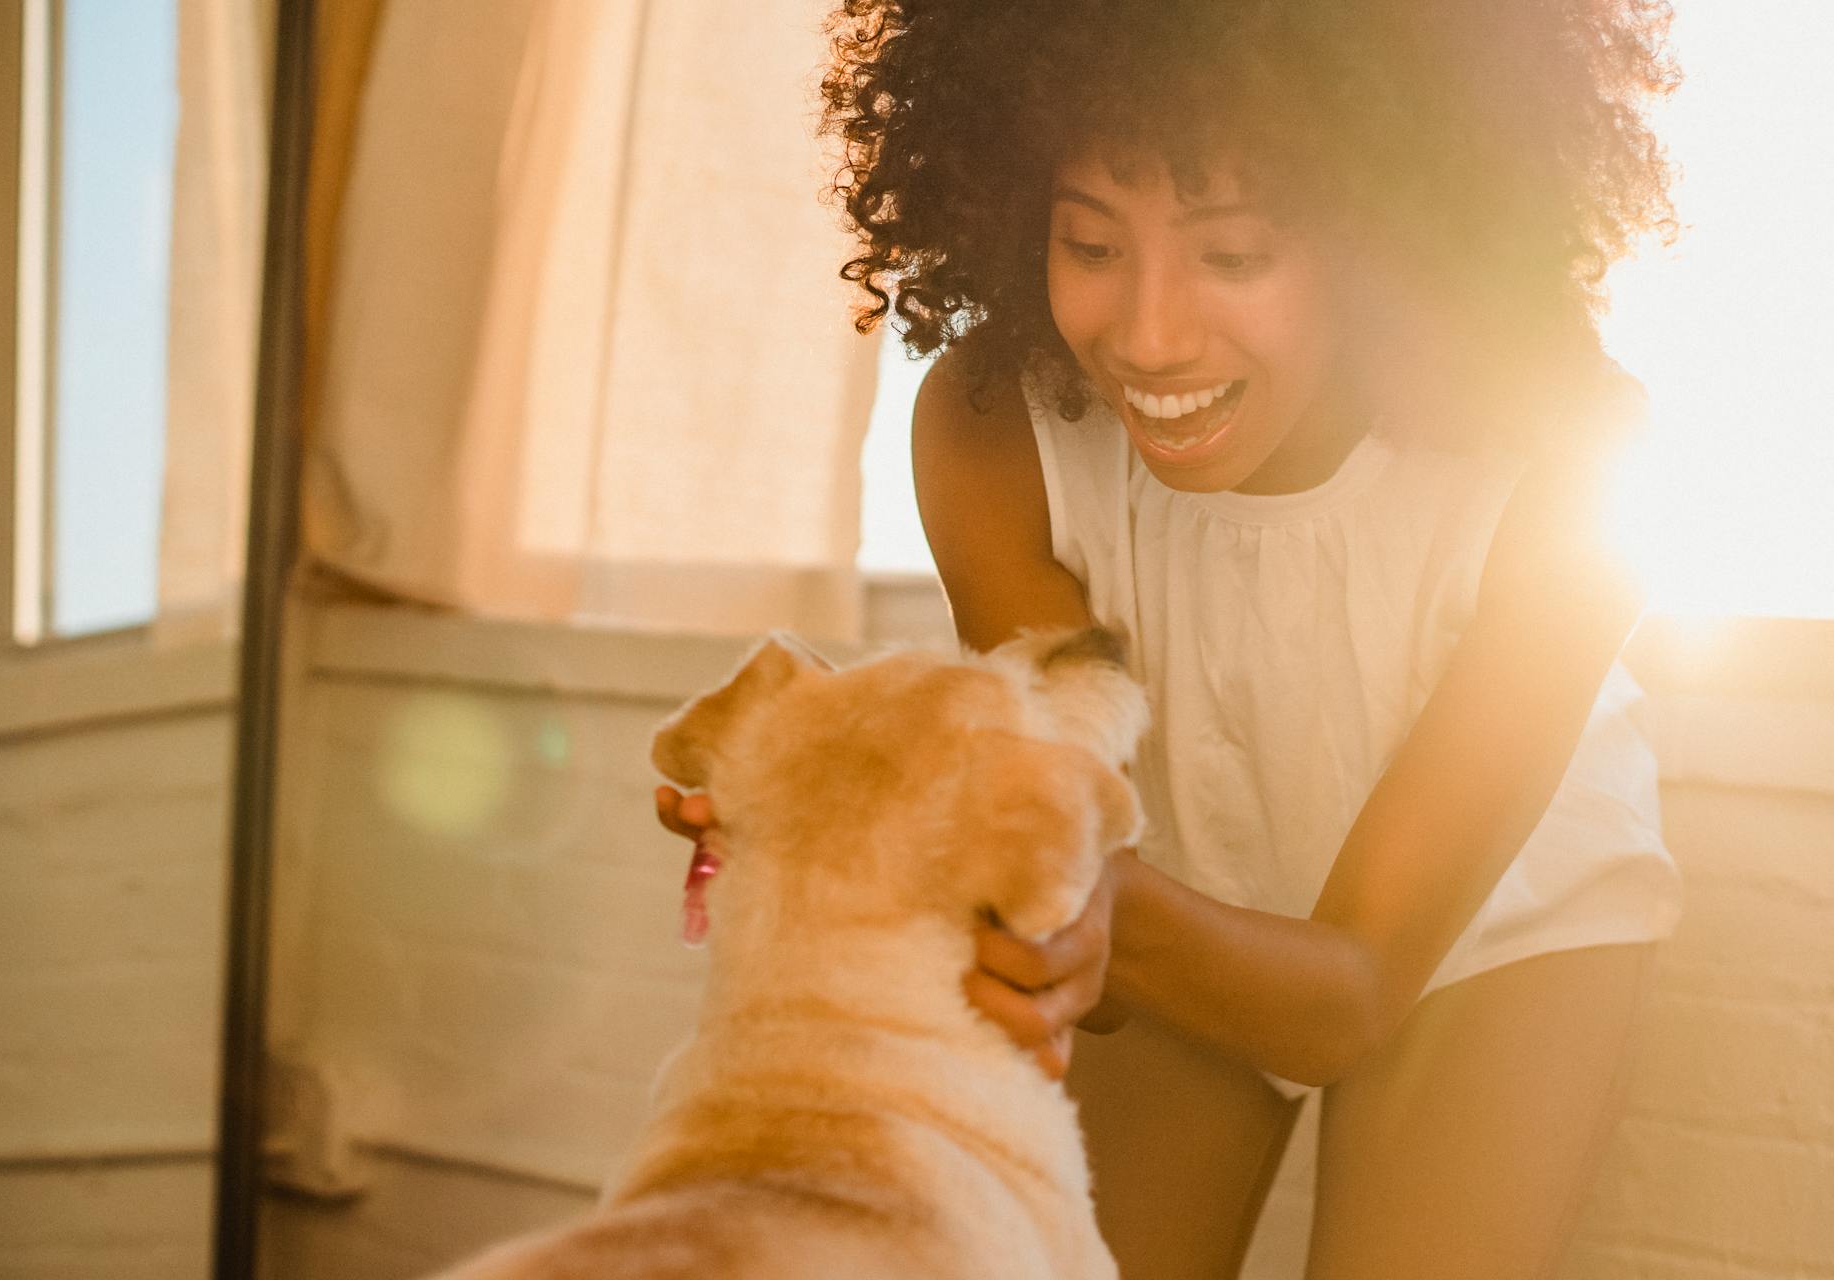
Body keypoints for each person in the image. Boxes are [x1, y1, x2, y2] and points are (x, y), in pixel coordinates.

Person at [663, 1, 1686, 1275]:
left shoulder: (1568, 463)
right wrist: (871, 781)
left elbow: (1350, 988)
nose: (1146, 337)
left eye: (1236, 254)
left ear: (1386, 232)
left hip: (1492, 933)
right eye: (1090, 242)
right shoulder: (996, 433)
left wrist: (1056, 878)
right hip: (1173, 884)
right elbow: (1071, 799)